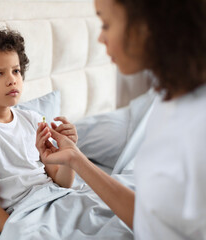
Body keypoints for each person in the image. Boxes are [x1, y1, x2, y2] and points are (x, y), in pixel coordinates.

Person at [36, 0, 206, 239]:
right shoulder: (165, 99)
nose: (100, 38)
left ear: (145, 27)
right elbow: (149, 218)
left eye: (106, 24)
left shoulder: (197, 126)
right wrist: (75, 158)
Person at [0, 27, 77, 233]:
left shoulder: (32, 119)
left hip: (57, 197)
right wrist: (15, 234)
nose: (12, 79)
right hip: (27, 213)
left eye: (16, 70)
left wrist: (70, 153)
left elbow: (63, 181)